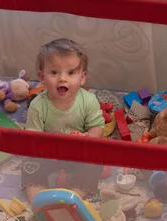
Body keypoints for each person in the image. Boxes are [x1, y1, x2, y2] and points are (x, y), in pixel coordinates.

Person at [21, 38, 105, 204]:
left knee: (96, 161)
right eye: (54, 72)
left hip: (79, 155)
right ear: (42, 77)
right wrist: (46, 148)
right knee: (29, 163)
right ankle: (38, 197)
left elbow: (97, 127)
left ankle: (74, 195)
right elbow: (32, 137)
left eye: (71, 73)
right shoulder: (38, 105)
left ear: (83, 77)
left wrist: (87, 137)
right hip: (48, 156)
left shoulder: (89, 100)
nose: (62, 79)